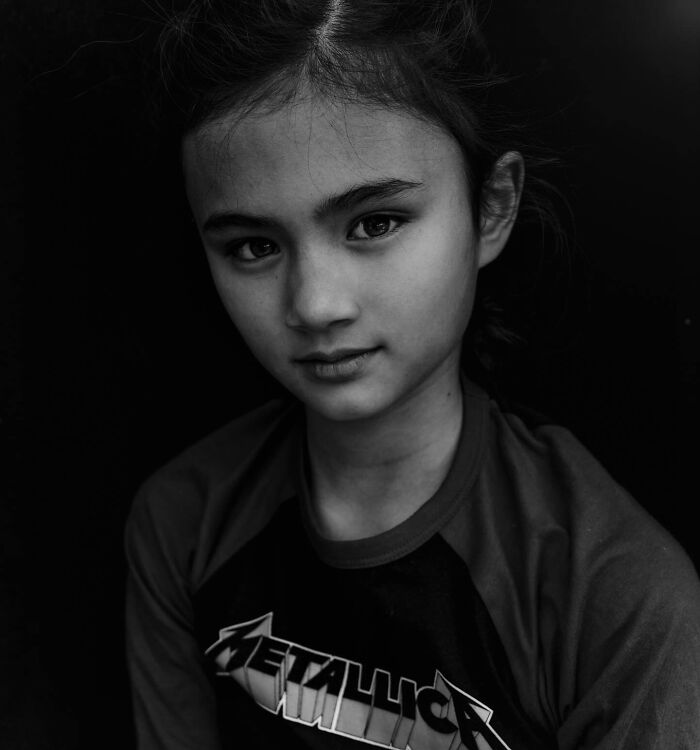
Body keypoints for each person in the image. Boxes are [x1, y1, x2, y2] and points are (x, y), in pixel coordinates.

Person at [124, 1, 700, 748]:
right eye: (253, 247)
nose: (315, 304)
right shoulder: (184, 523)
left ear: (491, 209)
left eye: (374, 223)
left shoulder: (616, 598)